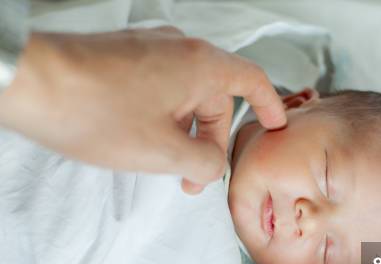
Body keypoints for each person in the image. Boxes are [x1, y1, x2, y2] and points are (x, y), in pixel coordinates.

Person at [0, 9, 287, 195]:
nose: (309, 220)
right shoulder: (200, 79)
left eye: (327, 248)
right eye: (324, 176)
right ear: (296, 103)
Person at [228, 88, 381, 264]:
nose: (311, 222)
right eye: (325, 180)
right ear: (293, 104)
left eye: (325, 251)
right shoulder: (223, 84)